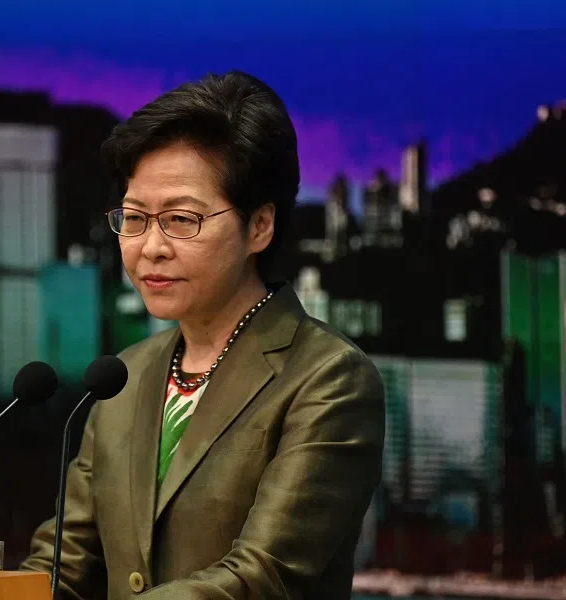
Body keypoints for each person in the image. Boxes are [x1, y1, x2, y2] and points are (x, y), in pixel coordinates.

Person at [21, 71, 385, 599]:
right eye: (135, 218)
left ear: (259, 226)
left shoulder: (329, 379)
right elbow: (64, 567)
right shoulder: (125, 375)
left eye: (181, 220)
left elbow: (263, 579)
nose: (150, 247)